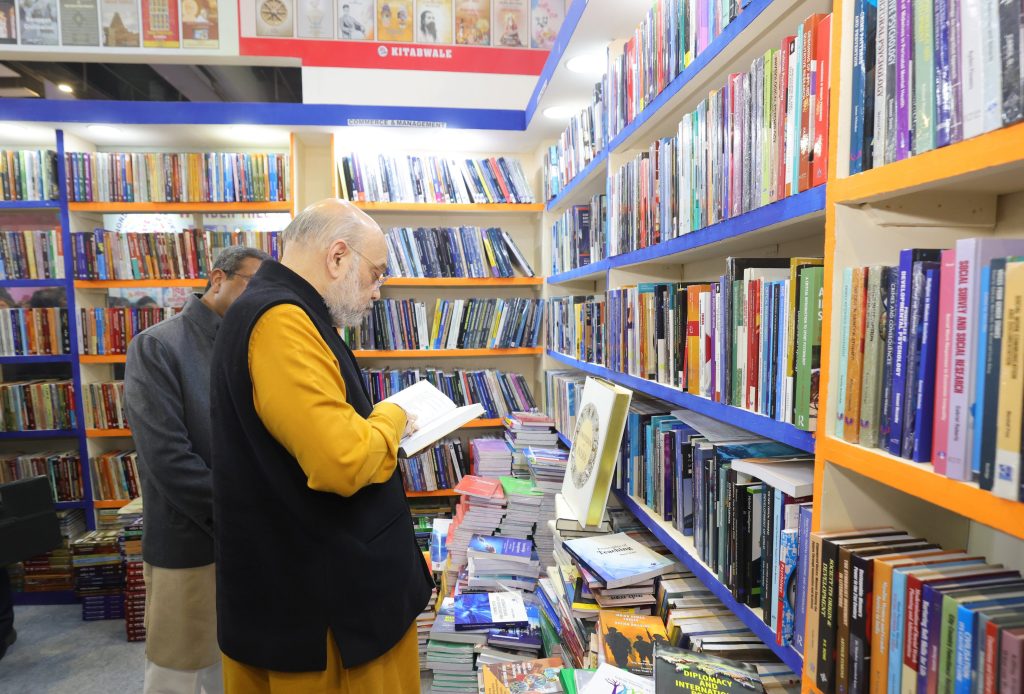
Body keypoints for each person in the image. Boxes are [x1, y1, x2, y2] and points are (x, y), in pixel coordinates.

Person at [211, 199, 433, 693]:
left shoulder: (288, 312)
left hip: (315, 590)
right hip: (322, 610)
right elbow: (342, 460)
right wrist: (392, 418)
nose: (378, 292)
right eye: (376, 274)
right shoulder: (280, 321)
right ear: (337, 257)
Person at [124, 246, 270, 694]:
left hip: (253, 540)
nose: (259, 297)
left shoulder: (256, 346)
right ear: (218, 277)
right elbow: (167, 459)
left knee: (237, 668)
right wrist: (246, 511)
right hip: (190, 540)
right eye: (252, 283)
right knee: (180, 671)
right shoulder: (158, 345)